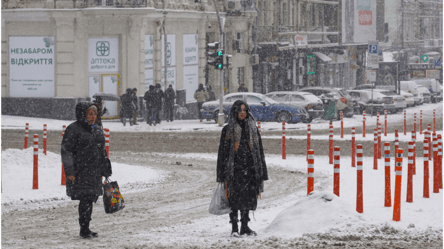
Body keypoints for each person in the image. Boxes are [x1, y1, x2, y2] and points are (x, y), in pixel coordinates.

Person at [216, 100, 268, 237]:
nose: (242, 113)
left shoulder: (252, 128)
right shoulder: (228, 129)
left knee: (248, 198)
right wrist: (221, 173)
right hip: (234, 171)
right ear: (235, 112)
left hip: (251, 170)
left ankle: (245, 226)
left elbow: (259, 151)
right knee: (233, 199)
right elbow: (222, 153)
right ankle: (234, 228)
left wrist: (262, 171)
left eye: (245, 110)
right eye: (240, 110)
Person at [61, 102, 112, 239]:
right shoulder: (74, 129)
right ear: (82, 114)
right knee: (86, 199)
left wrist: (105, 166)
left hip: (94, 171)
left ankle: (85, 228)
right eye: (90, 114)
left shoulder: (96, 128)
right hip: (81, 171)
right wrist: (70, 171)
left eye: (95, 114)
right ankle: (84, 229)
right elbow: (66, 151)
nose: (93, 116)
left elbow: (102, 149)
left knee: (90, 198)